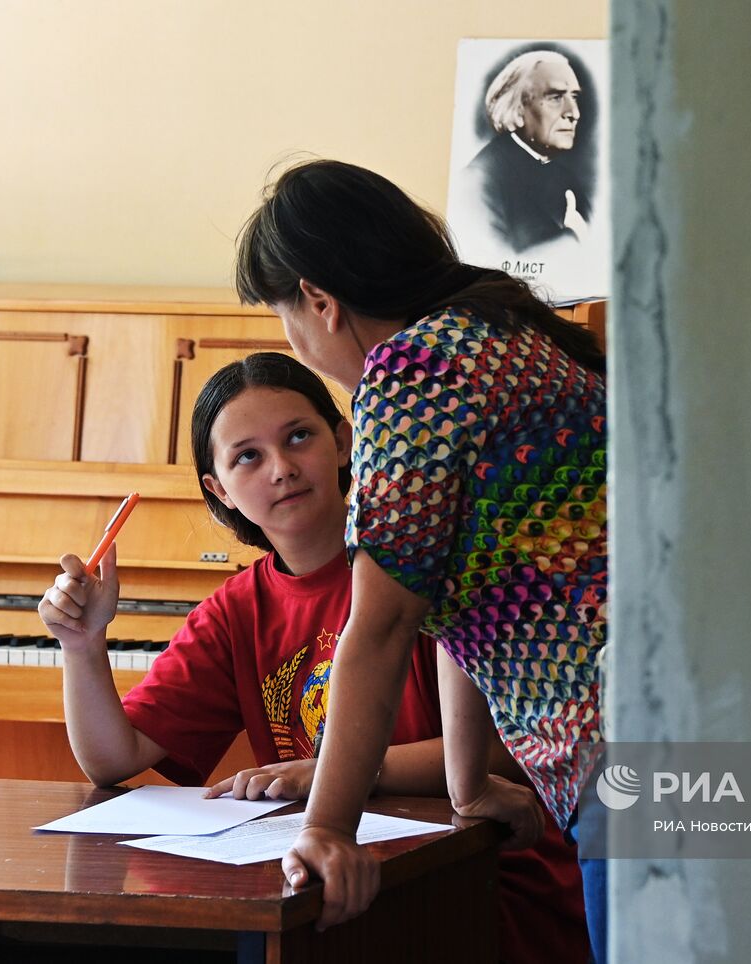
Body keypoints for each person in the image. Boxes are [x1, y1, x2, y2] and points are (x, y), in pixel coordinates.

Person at [37, 351, 588, 964]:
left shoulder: (422, 569)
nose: (282, 469)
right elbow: (114, 759)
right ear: (218, 489)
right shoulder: (237, 609)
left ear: (345, 443)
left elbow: (509, 752)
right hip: (330, 875)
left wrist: (331, 771)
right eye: (248, 455)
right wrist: (83, 645)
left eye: (299, 437)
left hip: (480, 879)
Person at [235, 158, 609, 960]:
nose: (298, 345)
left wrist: (327, 830)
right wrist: (468, 785)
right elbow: (463, 594)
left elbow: (382, 622)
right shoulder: (508, 332)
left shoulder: (412, 373)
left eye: (286, 322)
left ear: (321, 302)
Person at [464, 49, 593, 251]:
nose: (574, 113)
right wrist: (571, 237)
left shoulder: (564, 178)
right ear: (517, 109)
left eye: (574, 97)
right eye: (556, 97)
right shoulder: (481, 179)